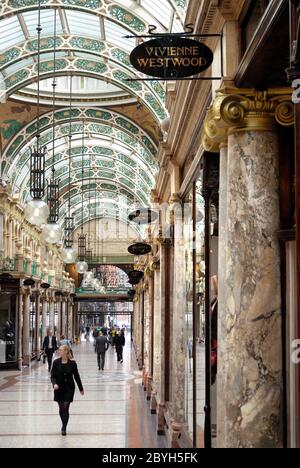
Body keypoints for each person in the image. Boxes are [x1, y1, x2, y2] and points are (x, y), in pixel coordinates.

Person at [51, 345, 84, 436]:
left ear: (66, 351)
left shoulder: (72, 363)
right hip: (58, 388)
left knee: (65, 407)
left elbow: (77, 377)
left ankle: (64, 427)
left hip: (69, 388)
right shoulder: (56, 362)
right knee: (61, 408)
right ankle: (63, 424)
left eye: (61, 350)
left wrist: (81, 388)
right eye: (59, 350)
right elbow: (52, 376)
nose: (59, 351)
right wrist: (54, 384)